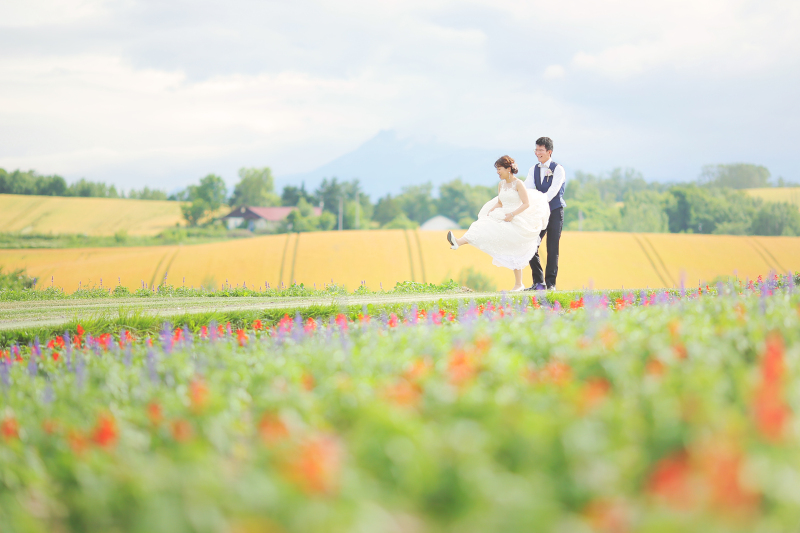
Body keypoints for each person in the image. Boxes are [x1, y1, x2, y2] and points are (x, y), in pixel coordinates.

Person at [446, 155, 550, 291]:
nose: (497, 172)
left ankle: (519, 284)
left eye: (499, 169)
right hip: (501, 215)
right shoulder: (501, 184)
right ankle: (458, 242)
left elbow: (526, 204)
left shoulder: (518, 184)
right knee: (479, 225)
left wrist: (512, 215)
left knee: (516, 250)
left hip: (516, 218)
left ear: (508, 169)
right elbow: (500, 202)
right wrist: (491, 211)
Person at [525, 137, 566, 291]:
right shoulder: (533, 169)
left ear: (549, 152)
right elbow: (528, 188)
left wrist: (541, 202)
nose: (537, 153)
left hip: (554, 211)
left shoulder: (558, 169)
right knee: (531, 244)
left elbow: (553, 191)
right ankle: (538, 282)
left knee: (552, 247)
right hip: (538, 212)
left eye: (541, 150)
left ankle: (551, 284)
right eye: (536, 150)